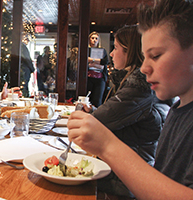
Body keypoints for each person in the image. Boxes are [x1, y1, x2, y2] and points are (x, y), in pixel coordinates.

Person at [67, 0, 193, 199]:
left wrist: (108, 146)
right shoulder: (179, 109)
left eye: (156, 55)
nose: (144, 68)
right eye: (144, 56)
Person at [82, 25, 170, 198]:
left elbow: (96, 122)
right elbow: (115, 116)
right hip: (127, 175)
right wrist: (93, 110)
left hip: (125, 183)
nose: (112, 53)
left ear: (131, 52)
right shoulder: (132, 82)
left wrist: (87, 116)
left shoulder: (139, 87)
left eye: (116, 48)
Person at [87, 31, 109, 107]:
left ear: (99, 40)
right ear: (89, 39)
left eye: (96, 38)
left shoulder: (103, 51)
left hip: (100, 79)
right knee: (87, 99)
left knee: (97, 100)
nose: (94, 40)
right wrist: (99, 63)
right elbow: (86, 64)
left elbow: (104, 63)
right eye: (92, 38)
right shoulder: (86, 50)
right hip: (88, 78)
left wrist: (92, 60)